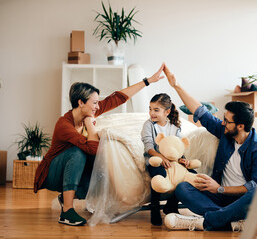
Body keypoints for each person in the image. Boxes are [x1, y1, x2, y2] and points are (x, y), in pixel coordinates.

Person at [34, 64, 165, 226]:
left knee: (101, 166)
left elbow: (118, 98)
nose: (98, 107)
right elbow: (93, 148)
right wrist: (90, 125)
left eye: (98, 103)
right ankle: (67, 212)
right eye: (95, 103)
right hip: (52, 173)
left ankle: (67, 197)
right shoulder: (64, 125)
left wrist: (148, 81)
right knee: (78, 152)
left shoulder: (89, 111)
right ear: (81, 103)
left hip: (71, 169)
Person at [162, 64, 257, 231]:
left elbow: (255, 187)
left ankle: (204, 222)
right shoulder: (226, 133)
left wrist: (220, 188)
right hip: (219, 197)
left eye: (227, 121)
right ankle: (229, 220)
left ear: (240, 126)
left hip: (240, 199)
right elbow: (201, 112)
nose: (222, 123)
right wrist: (176, 85)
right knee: (183, 187)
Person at [141, 93, 192, 226]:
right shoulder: (149, 125)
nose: (152, 113)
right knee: (160, 175)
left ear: (167, 112)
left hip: (172, 161)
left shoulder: (175, 127)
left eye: (156, 110)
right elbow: (149, 148)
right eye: (150, 109)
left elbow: (178, 147)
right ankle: (155, 207)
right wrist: (161, 157)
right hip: (155, 160)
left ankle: (172, 205)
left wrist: (182, 159)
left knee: (191, 175)